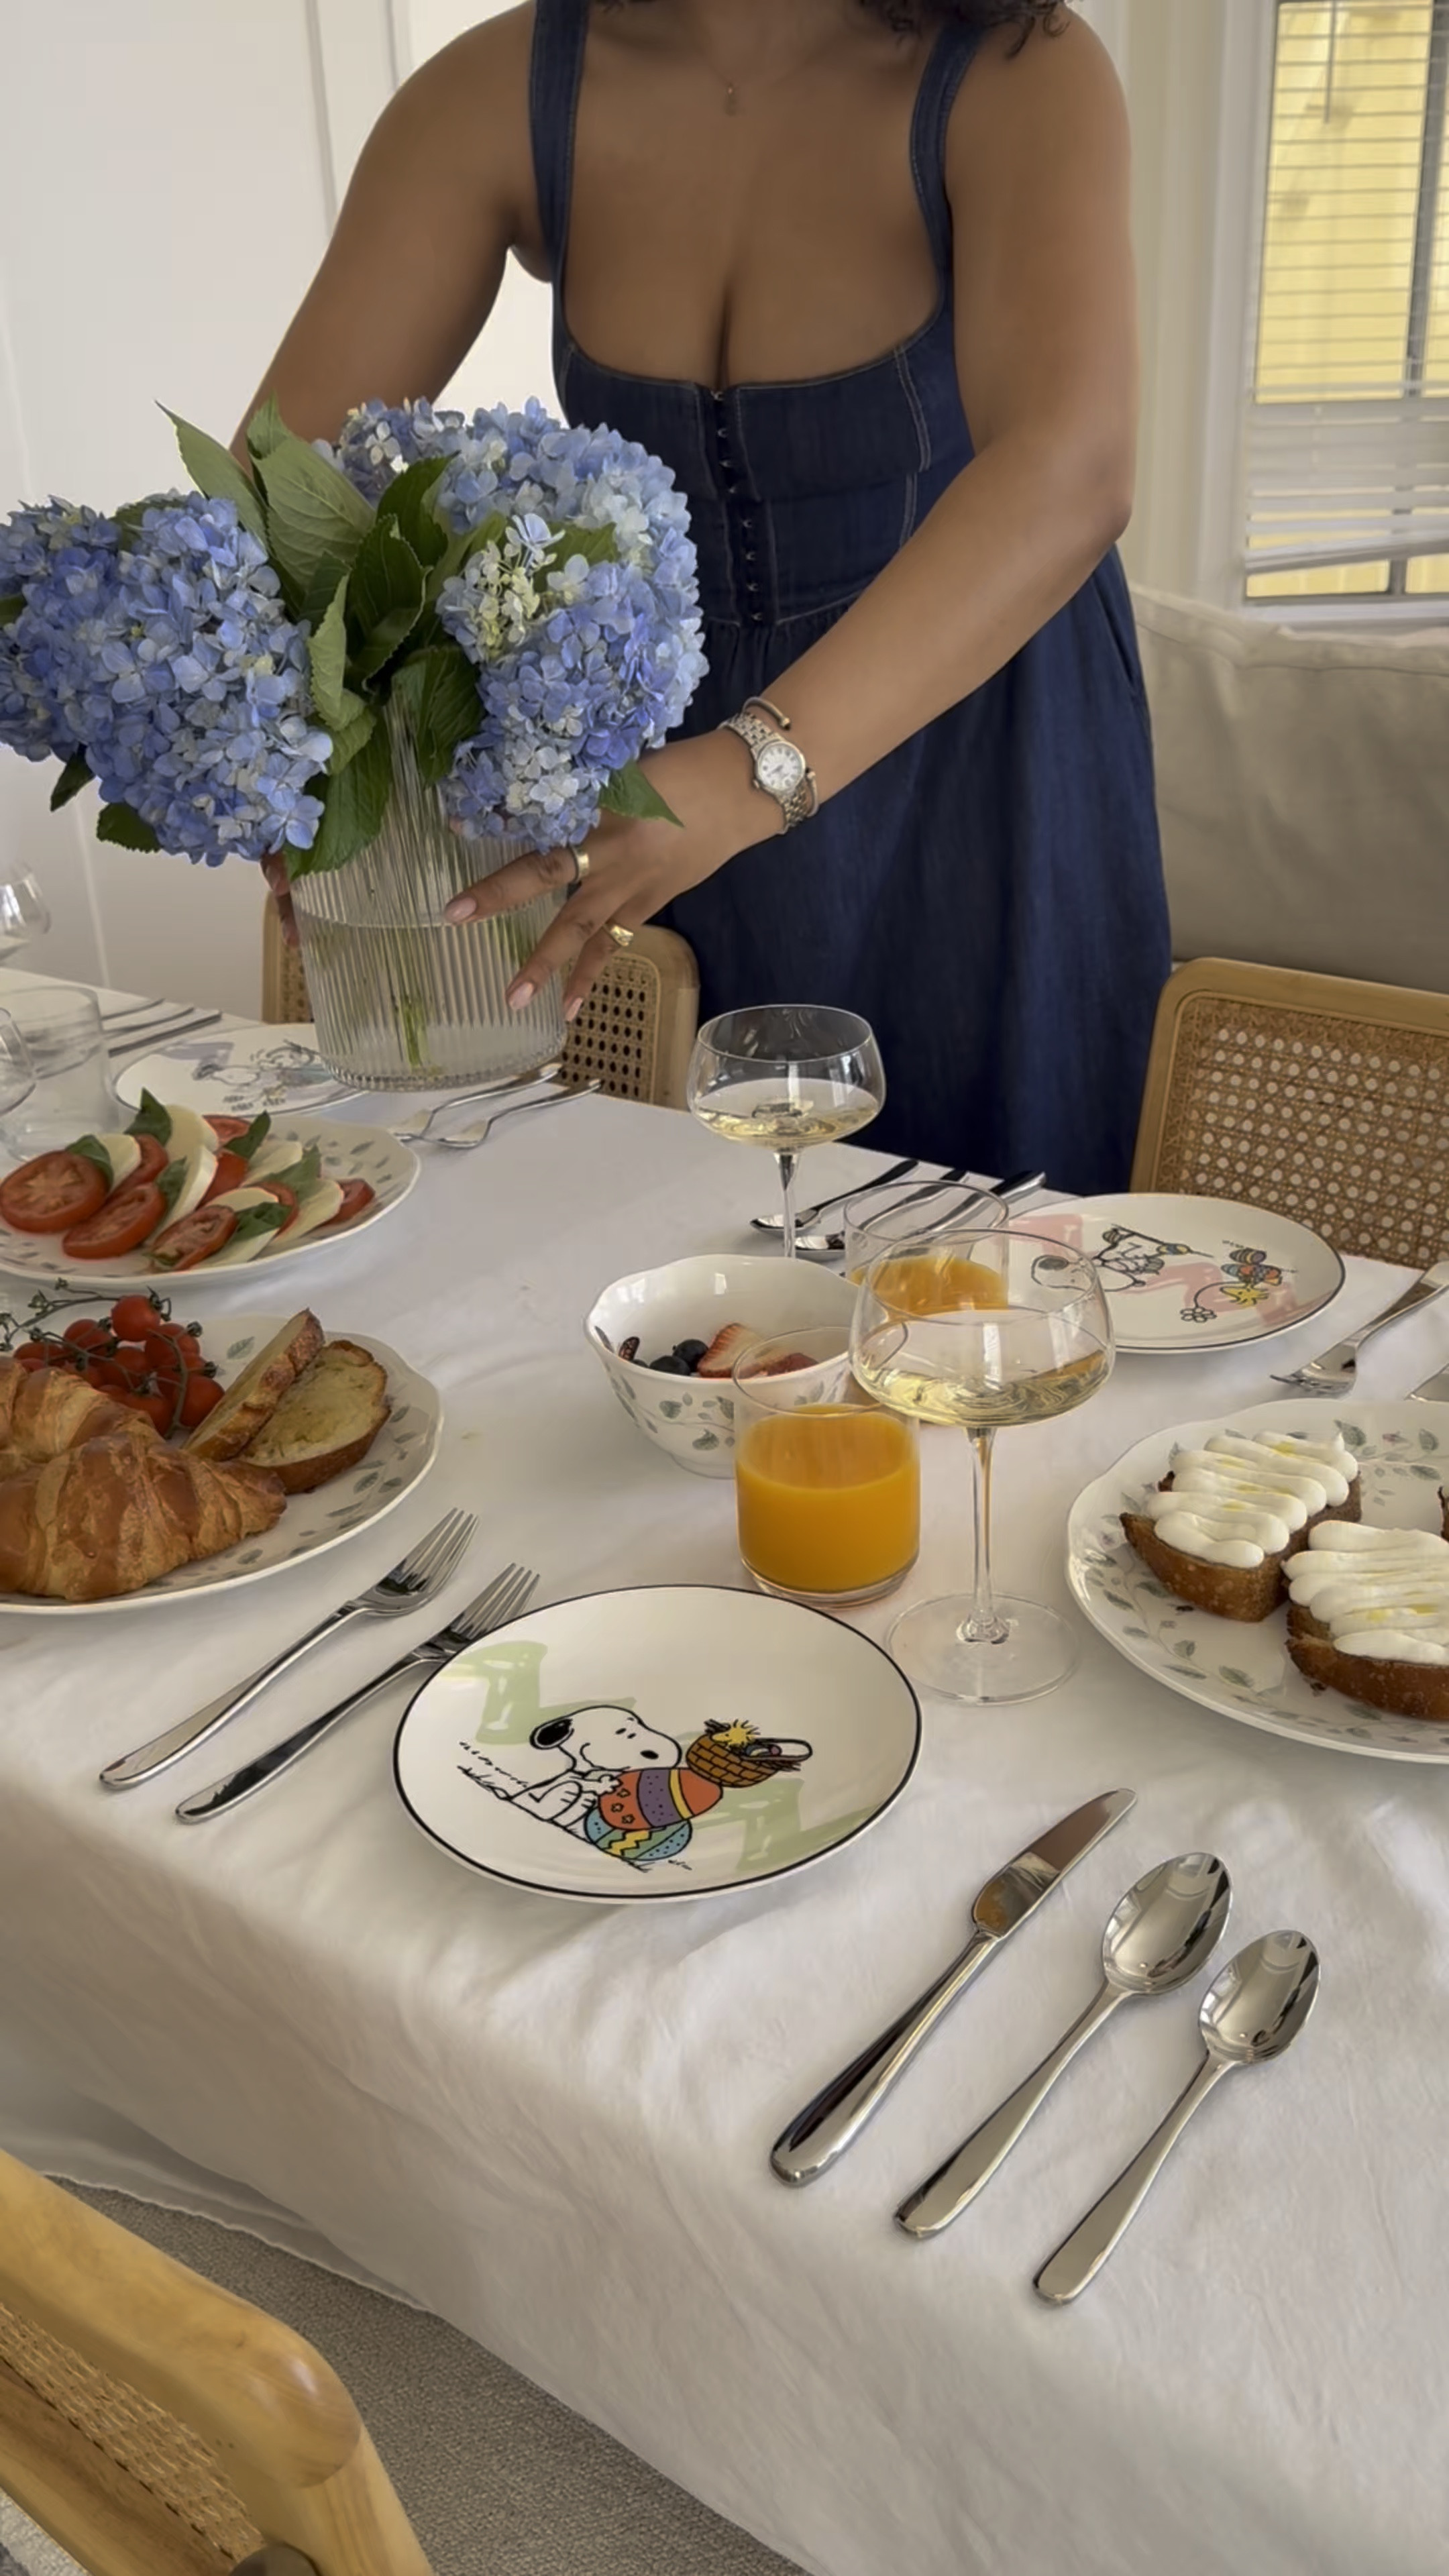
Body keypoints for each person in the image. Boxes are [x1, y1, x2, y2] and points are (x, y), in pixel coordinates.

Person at [250, 0, 1170, 1189]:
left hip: (979, 746)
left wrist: (741, 779)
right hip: (652, 772)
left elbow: (1072, 470)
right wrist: (297, 758)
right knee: (670, 1246)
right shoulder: (496, 93)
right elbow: (283, 503)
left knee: (993, 1259)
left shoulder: (1018, 69)